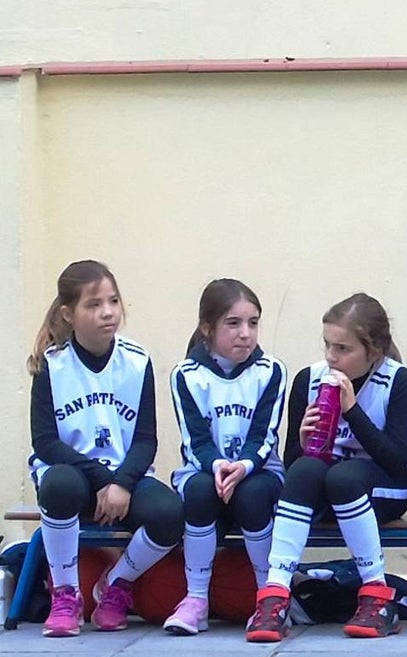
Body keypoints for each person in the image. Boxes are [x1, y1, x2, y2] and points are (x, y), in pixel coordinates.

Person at [246, 293, 407, 642]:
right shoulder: (309, 379)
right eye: (327, 345)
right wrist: (303, 437)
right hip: (330, 482)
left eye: (343, 349)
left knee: (345, 476)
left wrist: (352, 411)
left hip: (387, 484)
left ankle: (376, 595)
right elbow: (296, 462)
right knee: (306, 471)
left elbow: (396, 459)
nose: (331, 357)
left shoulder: (396, 379)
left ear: (373, 351)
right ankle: (275, 594)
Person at [28, 260, 182, 636]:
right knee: (59, 485)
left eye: (113, 300)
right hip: (74, 478)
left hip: (123, 480)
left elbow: (146, 439)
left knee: (171, 514)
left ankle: (115, 584)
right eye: (93, 304)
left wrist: (124, 483)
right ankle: (66, 594)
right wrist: (101, 480)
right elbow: (45, 442)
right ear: (69, 313)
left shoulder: (136, 360)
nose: (108, 312)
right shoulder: (53, 365)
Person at [166, 279, 286, 635]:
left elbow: (264, 435)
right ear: (208, 328)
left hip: (259, 469)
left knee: (252, 494)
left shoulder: (271, 371)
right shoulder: (186, 375)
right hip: (207, 471)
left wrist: (243, 466)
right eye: (233, 323)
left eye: (253, 323)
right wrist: (219, 466)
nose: (245, 334)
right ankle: (196, 600)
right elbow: (195, 442)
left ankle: (270, 598)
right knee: (200, 491)